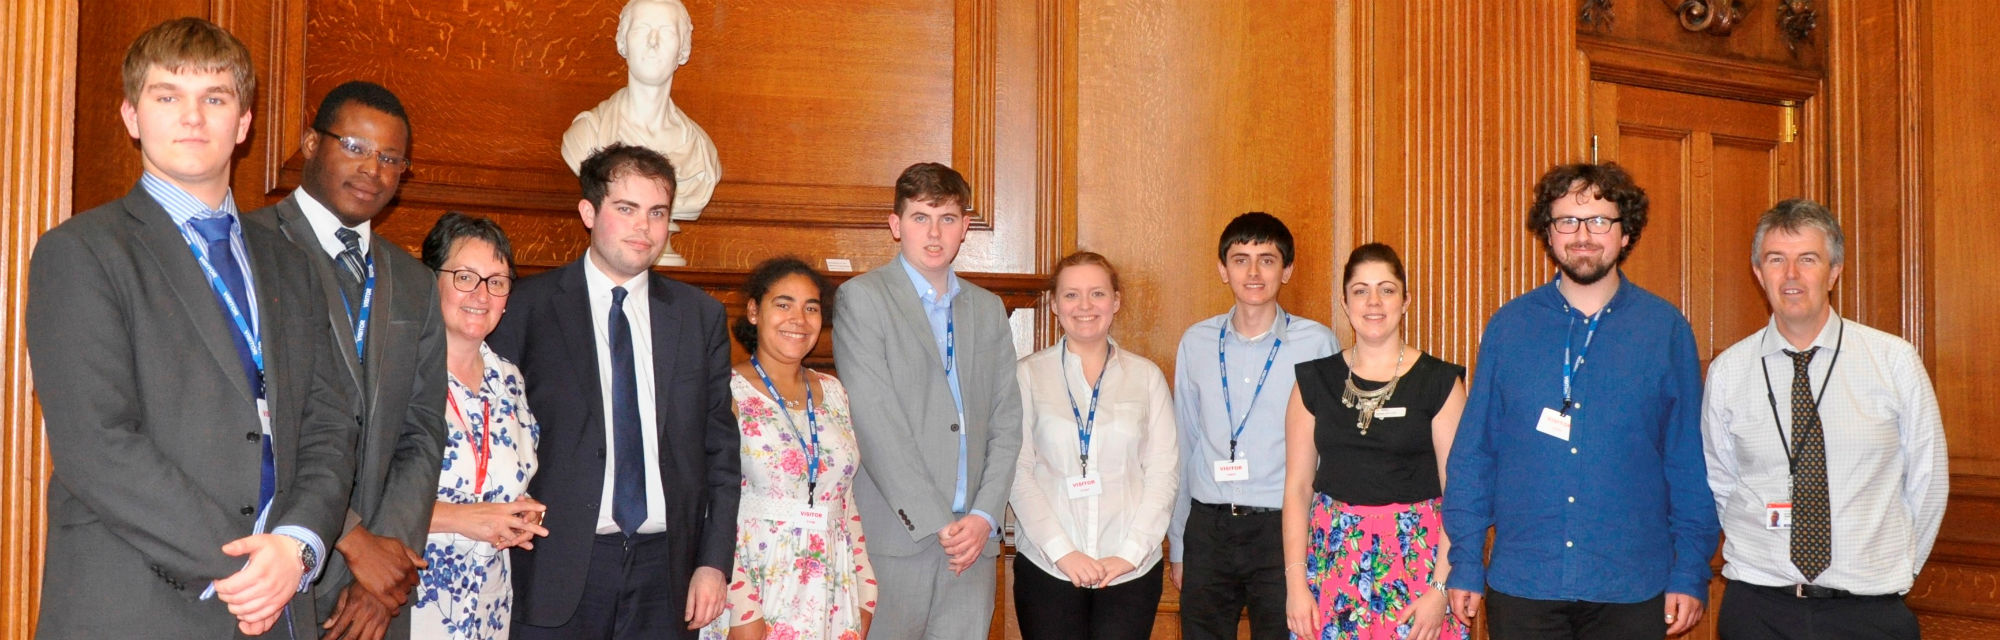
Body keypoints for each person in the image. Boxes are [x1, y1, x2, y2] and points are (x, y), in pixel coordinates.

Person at [27, 17, 358, 637]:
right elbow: (98, 445)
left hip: (280, 603)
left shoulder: (291, 263)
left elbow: (331, 421)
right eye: (167, 96)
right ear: (131, 116)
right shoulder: (81, 253)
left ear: (243, 123)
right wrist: (245, 565)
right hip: (137, 605)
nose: (192, 117)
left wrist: (298, 547)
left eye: (214, 98)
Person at [1443, 163, 1720, 640]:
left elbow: (1688, 462)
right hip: (1527, 583)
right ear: (1548, 234)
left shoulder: (1665, 330)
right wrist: (1465, 559)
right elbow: (1475, 454)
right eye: (1567, 221)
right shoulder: (1509, 328)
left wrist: (1691, 568)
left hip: (1632, 586)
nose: (1583, 235)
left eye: (1599, 221)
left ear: (1626, 233)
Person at [487, 143, 740, 639]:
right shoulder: (527, 309)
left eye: (657, 212)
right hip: (555, 566)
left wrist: (713, 562)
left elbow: (721, 453)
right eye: (626, 209)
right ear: (588, 212)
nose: (643, 228)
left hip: (667, 574)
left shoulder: (699, 317)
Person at [246, 80, 450, 640]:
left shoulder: (414, 282)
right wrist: (351, 537)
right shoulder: (248, 247)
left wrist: (384, 567)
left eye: (391, 158)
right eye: (355, 147)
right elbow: (248, 419)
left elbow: (423, 430)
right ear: (311, 143)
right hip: (273, 560)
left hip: (377, 594)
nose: (373, 171)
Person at [1701, 199, 1947, 640]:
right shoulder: (1729, 372)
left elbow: (1928, 482)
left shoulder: (1893, 361)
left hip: (1868, 611)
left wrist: (1895, 569)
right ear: (1759, 273)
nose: (1791, 275)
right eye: (1776, 260)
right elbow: (1722, 481)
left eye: (1807, 259)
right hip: (1759, 609)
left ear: (1834, 271)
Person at [832, 162, 1023, 638]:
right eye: (920, 217)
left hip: (973, 546)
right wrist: (938, 521)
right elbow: (876, 425)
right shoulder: (862, 299)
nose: (934, 233)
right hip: (898, 541)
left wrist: (982, 518)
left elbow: (1007, 422)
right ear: (896, 225)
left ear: (965, 228)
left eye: (948, 218)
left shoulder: (988, 309)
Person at [1282, 243, 1469, 640]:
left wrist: (1439, 589)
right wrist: (1296, 586)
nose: (1373, 302)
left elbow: (1459, 492)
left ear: (1405, 301)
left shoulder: (1440, 383)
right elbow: (1297, 489)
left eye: (1386, 289)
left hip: (1419, 565)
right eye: (1360, 290)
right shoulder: (1312, 382)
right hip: (1332, 566)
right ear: (1345, 303)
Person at [1168, 212, 1339, 640]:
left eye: (1267, 258)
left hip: (1283, 530)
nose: (1254, 271)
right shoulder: (1196, 342)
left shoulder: (1317, 345)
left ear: (1287, 270)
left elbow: (1331, 452)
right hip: (1208, 530)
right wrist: (1180, 543)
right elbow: (1184, 445)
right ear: (1222, 270)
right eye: (1241, 258)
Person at [704, 257, 876, 640]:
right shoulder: (724, 391)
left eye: (810, 307)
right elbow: (709, 504)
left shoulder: (834, 391)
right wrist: (741, 610)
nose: (798, 318)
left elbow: (844, 498)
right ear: (754, 311)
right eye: (783, 304)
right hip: (757, 586)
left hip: (832, 590)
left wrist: (866, 594)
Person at [1010, 251, 1180, 640]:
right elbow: (1016, 472)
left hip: (1130, 570)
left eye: (1097, 294)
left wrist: (1130, 553)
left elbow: (1163, 474)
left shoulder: (1146, 377)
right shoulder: (1027, 376)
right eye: (1071, 295)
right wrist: (1063, 552)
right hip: (1048, 568)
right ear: (1054, 304)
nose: (1084, 306)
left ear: (1116, 301)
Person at [410, 213, 547, 639]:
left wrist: (517, 512)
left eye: (498, 281)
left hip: (490, 601)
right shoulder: (397, 372)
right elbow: (357, 500)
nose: (482, 294)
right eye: (465, 277)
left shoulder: (510, 378)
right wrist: (462, 518)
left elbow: (505, 475)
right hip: (410, 596)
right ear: (431, 280)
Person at [561, 0, 721, 267]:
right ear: (622, 43)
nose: (653, 42)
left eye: (667, 32)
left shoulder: (702, 153)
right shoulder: (587, 135)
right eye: (641, 30)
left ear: (683, 50)